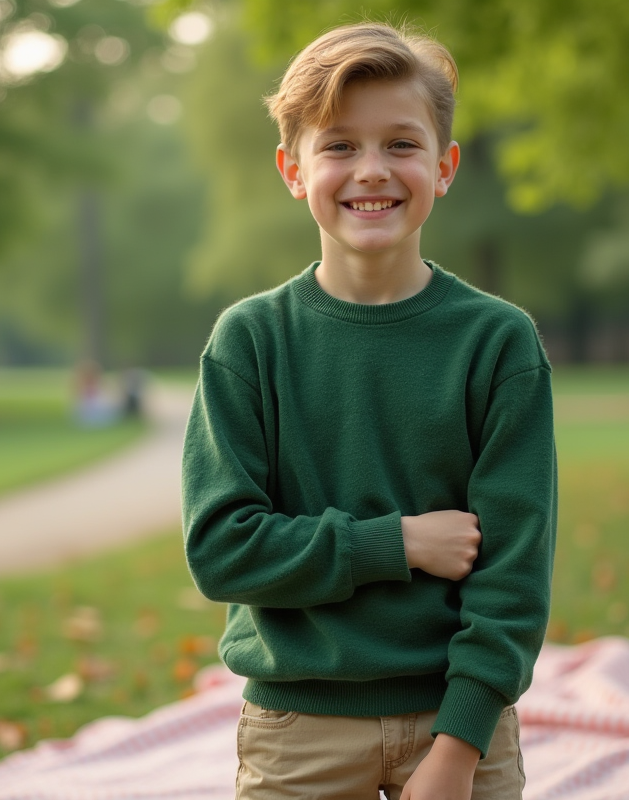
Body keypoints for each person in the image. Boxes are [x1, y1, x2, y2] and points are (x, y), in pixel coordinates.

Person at [181, 21, 556, 800]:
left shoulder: (497, 342)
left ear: (445, 166)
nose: (372, 171)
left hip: (457, 722)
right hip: (298, 727)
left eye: (402, 144)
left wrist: (457, 749)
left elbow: (515, 577)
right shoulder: (250, 341)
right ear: (293, 169)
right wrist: (401, 543)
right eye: (340, 146)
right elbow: (222, 551)